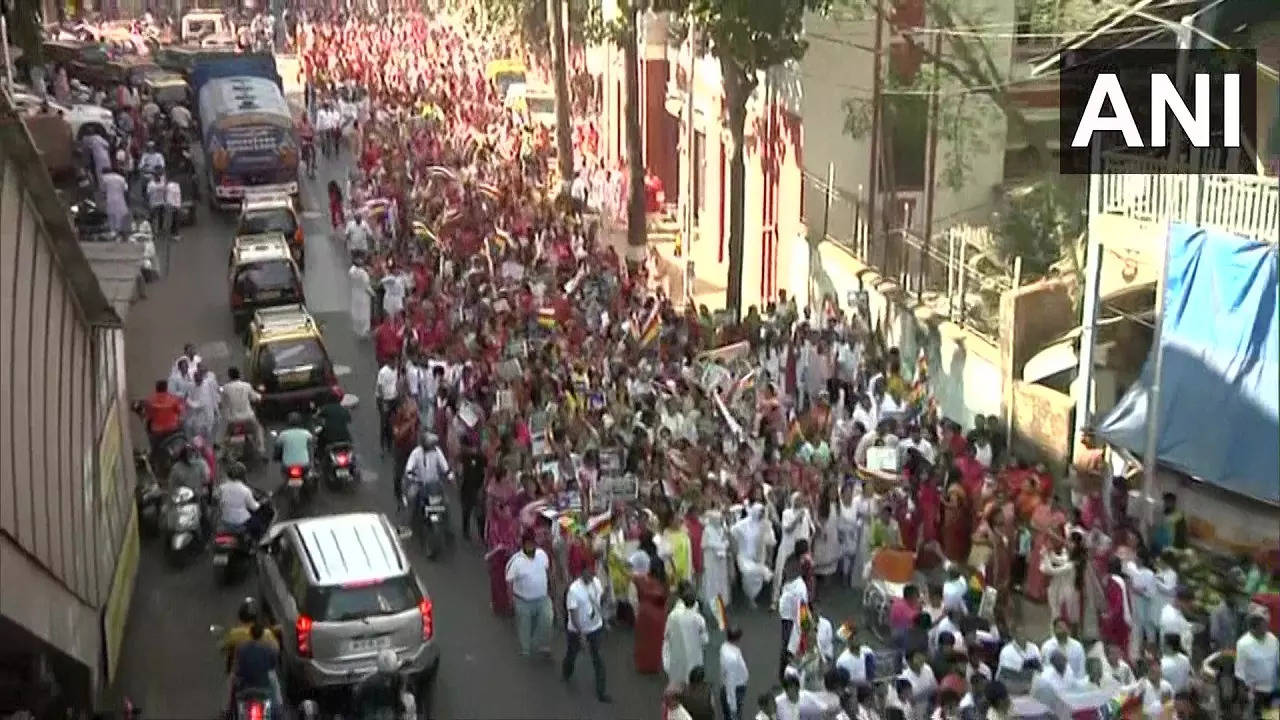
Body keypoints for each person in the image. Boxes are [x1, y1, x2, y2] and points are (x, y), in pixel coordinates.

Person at [562, 562, 611, 703]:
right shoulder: (574, 590)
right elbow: (573, 613)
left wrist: (605, 595)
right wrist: (581, 634)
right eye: (588, 572)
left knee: (599, 659)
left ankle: (601, 692)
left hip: (595, 628)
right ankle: (566, 671)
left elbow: (599, 601)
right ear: (581, 573)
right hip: (577, 631)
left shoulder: (596, 583)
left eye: (592, 572)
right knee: (572, 653)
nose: (591, 575)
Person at [505, 530, 553, 656]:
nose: (530, 547)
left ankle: (542, 645)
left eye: (532, 544)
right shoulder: (516, 562)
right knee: (525, 626)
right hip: (523, 601)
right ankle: (526, 649)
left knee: (547, 620)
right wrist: (511, 601)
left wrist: (549, 588)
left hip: (542, 598)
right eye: (528, 544)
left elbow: (547, 572)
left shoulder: (542, 555)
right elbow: (509, 581)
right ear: (523, 545)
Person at [634, 531, 668, 674]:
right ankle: (655, 664)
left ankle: (643, 664)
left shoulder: (641, 581)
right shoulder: (660, 583)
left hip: (644, 612)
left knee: (644, 640)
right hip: (659, 613)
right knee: (657, 640)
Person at [664, 581, 709, 689]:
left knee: (679, 672)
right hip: (694, 652)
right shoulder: (699, 619)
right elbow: (705, 640)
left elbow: (667, 633)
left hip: (677, 649)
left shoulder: (673, 615)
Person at [731, 503, 776, 606]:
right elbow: (733, 532)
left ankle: (753, 597)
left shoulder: (765, 525)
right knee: (748, 573)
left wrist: (767, 529)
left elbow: (771, 541)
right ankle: (748, 597)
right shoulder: (744, 524)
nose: (761, 515)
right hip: (744, 556)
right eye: (759, 513)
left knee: (758, 577)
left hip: (759, 557)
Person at [230, 621, 281, 711]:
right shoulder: (269, 649)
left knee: (231, 681)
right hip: (264, 688)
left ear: (250, 633)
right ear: (262, 634)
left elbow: (236, 665)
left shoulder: (241, 648)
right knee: (276, 689)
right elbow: (273, 665)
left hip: (244, 689)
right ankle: (279, 711)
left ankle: (228, 710)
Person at [774, 492, 815, 606]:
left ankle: (804, 598)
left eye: (801, 499)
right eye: (796, 499)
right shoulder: (786, 513)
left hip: (802, 549)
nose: (799, 502)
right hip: (788, 548)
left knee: (804, 575)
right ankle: (776, 599)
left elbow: (811, 528)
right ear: (791, 501)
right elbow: (787, 529)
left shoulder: (806, 512)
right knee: (782, 574)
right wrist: (798, 518)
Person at [1235, 611, 1279, 712]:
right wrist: (1244, 692)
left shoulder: (1272, 639)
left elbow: (1277, 661)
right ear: (1253, 628)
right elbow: (1240, 670)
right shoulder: (1243, 644)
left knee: (1272, 715)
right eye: (1263, 626)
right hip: (1255, 691)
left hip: (1273, 689)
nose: (1266, 628)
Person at [220, 367, 264, 456]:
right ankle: (261, 450)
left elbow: (223, 403)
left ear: (229, 376)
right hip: (248, 418)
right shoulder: (247, 386)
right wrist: (260, 397)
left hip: (233, 420)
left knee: (227, 435)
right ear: (239, 375)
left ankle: (223, 454)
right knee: (258, 430)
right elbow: (254, 398)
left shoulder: (226, 388)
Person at [350, 649, 408, 716]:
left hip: (373, 710)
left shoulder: (368, 681)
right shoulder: (398, 678)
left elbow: (357, 696)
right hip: (382, 710)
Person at [701, 507, 732, 624]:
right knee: (712, 586)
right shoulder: (707, 530)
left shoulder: (721, 529)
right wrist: (719, 546)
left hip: (721, 563)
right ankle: (712, 612)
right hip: (711, 563)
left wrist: (724, 544)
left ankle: (721, 611)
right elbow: (705, 544)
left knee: (721, 585)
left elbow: (725, 541)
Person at [141, 379, 184, 456]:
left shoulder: (150, 400)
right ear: (166, 388)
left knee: (153, 443)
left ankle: (153, 455)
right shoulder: (174, 399)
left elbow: (148, 414)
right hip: (173, 429)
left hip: (157, 431)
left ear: (156, 388)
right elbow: (180, 411)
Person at [215, 462, 261, 533]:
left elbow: (216, 498)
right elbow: (254, 507)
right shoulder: (246, 490)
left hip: (225, 521)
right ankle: (255, 543)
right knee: (258, 524)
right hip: (241, 522)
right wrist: (259, 504)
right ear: (243, 476)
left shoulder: (222, 487)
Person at [458, 432, 487, 541]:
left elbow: (485, 469)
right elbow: (460, 471)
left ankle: (482, 534)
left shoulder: (479, 456)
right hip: (466, 486)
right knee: (466, 510)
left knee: (478, 511)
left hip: (477, 485)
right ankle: (466, 531)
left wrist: (482, 486)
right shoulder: (463, 456)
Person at [720, 627, 750, 720]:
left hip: (733, 687)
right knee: (734, 716)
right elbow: (730, 683)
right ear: (738, 638)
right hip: (736, 689)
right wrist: (733, 707)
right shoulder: (731, 658)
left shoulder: (725, 646)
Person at [274, 412, 314, 482]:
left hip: (287, 465)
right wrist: (311, 461)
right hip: (304, 464)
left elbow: (277, 448)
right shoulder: (306, 433)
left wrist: (276, 457)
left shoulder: (283, 434)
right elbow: (311, 447)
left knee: (284, 474)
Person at [349, 256, 375, 338]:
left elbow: (352, 270)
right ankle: (364, 331)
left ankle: (356, 329)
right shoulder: (364, 274)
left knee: (356, 311)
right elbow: (366, 286)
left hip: (355, 293)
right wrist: (373, 294)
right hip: (364, 295)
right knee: (364, 313)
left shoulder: (351, 272)